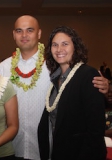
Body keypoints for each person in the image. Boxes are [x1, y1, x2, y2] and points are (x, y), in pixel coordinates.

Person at [0, 15, 109, 159]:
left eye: (30, 30)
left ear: (39, 34)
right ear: (14, 34)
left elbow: (93, 123)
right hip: (12, 149)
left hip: (51, 149)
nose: (24, 35)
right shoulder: (4, 68)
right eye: (19, 31)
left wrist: (105, 88)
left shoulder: (51, 65)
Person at [38, 26, 106, 160]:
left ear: (75, 47)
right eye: (55, 45)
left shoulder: (87, 75)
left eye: (65, 44)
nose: (59, 49)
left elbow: (96, 129)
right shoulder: (55, 78)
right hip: (57, 152)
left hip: (80, 154)